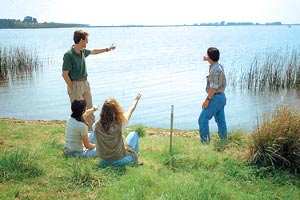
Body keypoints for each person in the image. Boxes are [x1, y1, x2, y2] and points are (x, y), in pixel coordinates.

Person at [62, 30, 116, 129]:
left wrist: (107, 49)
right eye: (86, 40)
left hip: (85, 83)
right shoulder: (69, 55)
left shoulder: (82, 52)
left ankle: (91, 132)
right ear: (81, 40)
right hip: (75, 84)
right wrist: (73, 87)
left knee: (90, 109)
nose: (87, 42)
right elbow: (65, 74)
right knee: (79, 113)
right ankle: (79, 133)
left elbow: (94, 51)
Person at [94, 94, 142, 167]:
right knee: (134, 134)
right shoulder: (120, 124)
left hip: (103, 161)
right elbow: (131, 109)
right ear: (116, 110)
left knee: (123, 138)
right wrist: (136, 99)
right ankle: (136, 162)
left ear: (103, 111)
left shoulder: (96, 125)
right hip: (119, 161)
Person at [198, 47, 227, 143]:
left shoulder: (215, 70)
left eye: (207, 55)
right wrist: (207, 59)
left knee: (202, 119)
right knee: (220, 120)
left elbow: (213, 88)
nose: (206, 56)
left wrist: (207, 100)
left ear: (211, 57)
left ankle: (205, 143)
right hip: (221, 97)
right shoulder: (218, 65)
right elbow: (212, 60)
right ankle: (224, 141)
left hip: (215, 97)